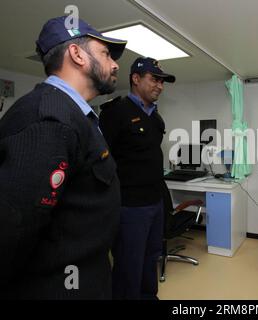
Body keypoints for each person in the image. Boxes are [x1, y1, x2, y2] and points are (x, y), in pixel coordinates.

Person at [0, 16, 127, 299]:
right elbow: (13, 229)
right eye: (106, 54)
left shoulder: (76, 116)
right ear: (77, 54)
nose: (116, 64)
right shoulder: (49, 119)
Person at [99, 57, 175, 300]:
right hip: (129, 207)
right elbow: (100, 162)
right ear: (135, 78)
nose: (160, 86)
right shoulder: (116, 112)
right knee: (129, 264)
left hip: (155, 202)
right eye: (155, 79)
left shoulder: (155, 117)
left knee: (151, 257)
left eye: (162, 81)